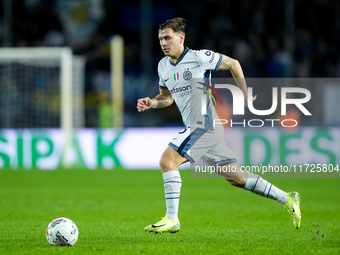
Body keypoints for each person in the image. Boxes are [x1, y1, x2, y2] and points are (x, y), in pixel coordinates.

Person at [137, 17, 301, 234]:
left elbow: (234, 63)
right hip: (203, 128)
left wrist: (244, 94)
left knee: (168, 161)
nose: (163, 43)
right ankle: (287, 198)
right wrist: (152, 102)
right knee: (237, 178)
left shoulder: (198, 57)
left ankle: (172, 218)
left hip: (203, 124)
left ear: (181, 38)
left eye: (167, 38)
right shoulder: (163, 66)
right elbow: (167, 98)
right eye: (160, 39)